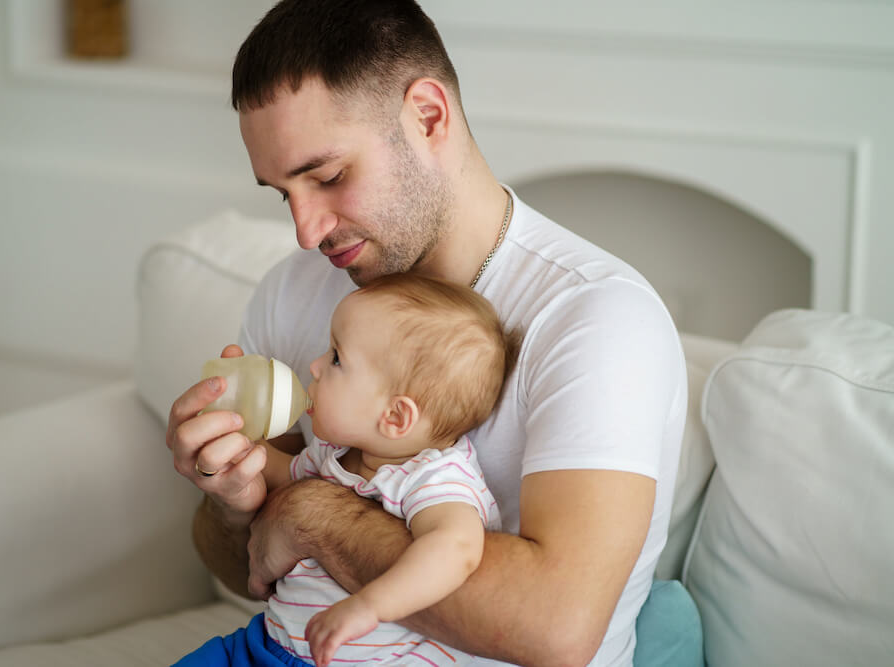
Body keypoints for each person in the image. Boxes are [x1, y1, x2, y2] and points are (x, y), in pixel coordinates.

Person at [166, 1, 688, 665]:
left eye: (328, 177)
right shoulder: (293, 291)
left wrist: (309, 514)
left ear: (429, 116)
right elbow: (242, 569)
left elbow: (557, 629)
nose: (305, 230)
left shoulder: (595, 319)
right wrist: (231, 497)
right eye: (283, 193)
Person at [177, 273, 517, 666]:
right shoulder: (336, 453)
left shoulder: (434, 477)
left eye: (336, 358)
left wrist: (371, 607)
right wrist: (235, 434)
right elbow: (281, 474)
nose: (314, 366)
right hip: (266, 645)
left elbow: (455, 549)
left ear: (395, 415)